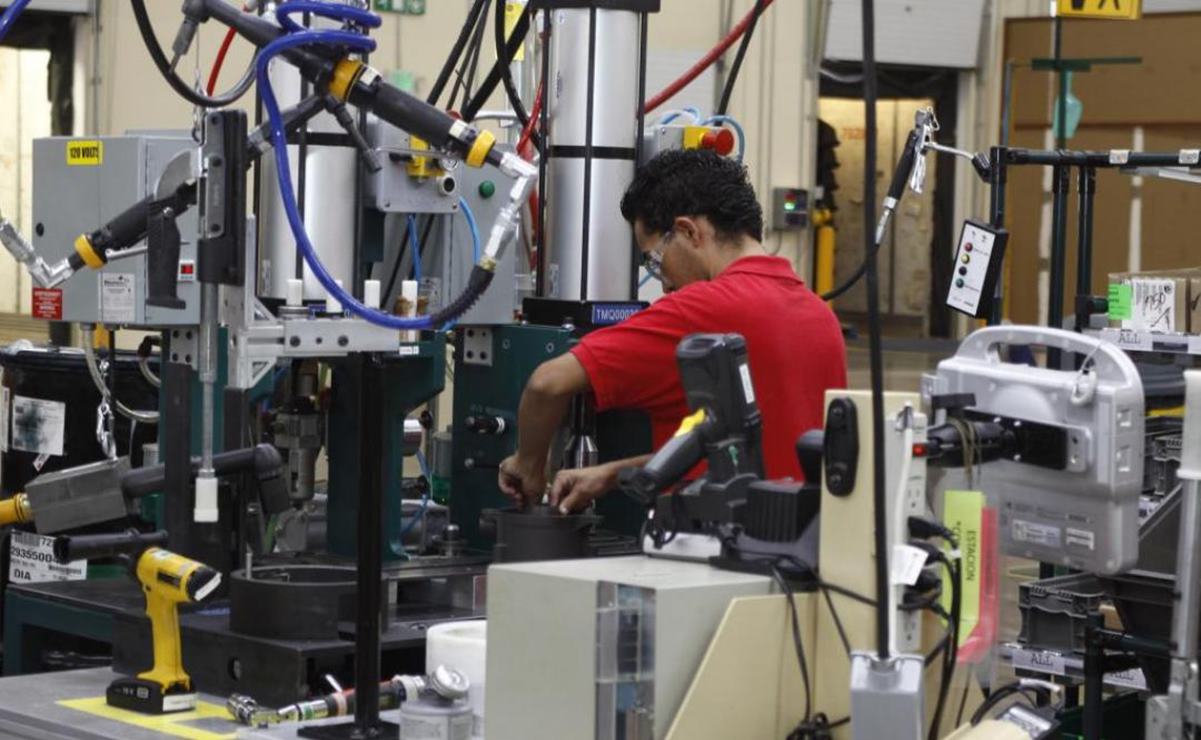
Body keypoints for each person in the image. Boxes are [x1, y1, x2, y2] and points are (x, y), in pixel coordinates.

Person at [498, 149, 846, 513]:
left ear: (688, 231)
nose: (663, 284)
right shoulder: (819, 314)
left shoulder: (699, 310)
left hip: (714, 551)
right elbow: (741, 452)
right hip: (796, 547)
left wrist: (529, 464)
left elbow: (547, 383)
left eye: (654, 260)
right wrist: (612, 474)